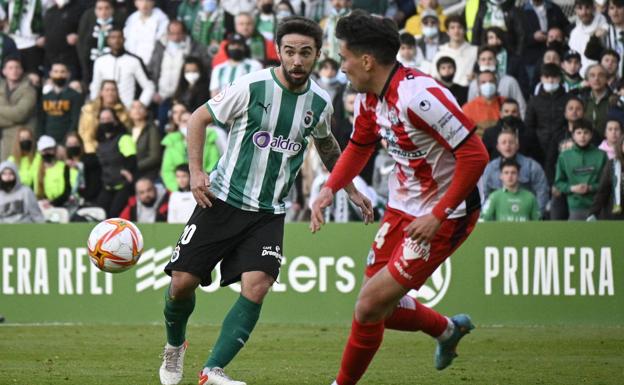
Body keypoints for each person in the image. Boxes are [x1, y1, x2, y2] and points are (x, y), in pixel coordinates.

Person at [158, 16, 373, 385]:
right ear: (279, 51)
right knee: (181, 284)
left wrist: (350, 188)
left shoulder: (319, 103)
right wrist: (196, 172)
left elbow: (326, 144)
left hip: (268, 211)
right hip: (221, 200)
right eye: (289, 51)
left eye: (306, 53)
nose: (297, 60)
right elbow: (197, 119)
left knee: (257, 286)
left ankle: (212, 371)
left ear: (317, 55)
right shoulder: (251, 86)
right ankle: (175, 346)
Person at [310, 10, 489, 385]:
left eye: (343, 58)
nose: (341, 68)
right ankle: (447, 330)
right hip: (402, 207)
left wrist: (438, 215)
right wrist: (330, 188)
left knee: (369, 304)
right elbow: (360, 145)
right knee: (380, 307)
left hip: (447, 213)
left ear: (366, 60)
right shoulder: (368, 98)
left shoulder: (419, 96)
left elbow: (475, 156)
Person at [480, 128, 549, 215]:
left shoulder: (531, 166)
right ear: (498, 147)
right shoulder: (489, 168)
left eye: (511, 142)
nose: (508, 145)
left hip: (526, 216)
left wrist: (536, 214)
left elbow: (542, 191)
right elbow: (483, 194)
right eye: (504, 142)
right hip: (497, 217)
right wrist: (488, 214)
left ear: (517, 145)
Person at [555, 119, 608, 220]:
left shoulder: (601, 155)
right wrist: (572, 188)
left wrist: (590, 188)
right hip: (574, 206)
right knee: (575, 235)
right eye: (579, 133)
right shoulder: (564, 157)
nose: (582, 136)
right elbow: (558, 183)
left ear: (591, 135)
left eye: (586, 132)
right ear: (573, 135)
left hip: (597, 206)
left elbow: (606, 183)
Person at [89, 28, 155, 108]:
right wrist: (94, 105)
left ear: (124, 39)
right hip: (105, 110)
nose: (116, 41)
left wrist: (140, 105)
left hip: (127, 109)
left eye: (119, 37)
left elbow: (149, 87)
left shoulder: (134, 61)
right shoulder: (100, 61)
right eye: (113, 37)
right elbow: (95, 85)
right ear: (108, 40)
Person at [94, 107, 137, 218]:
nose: (105, 122)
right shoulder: (100, 143)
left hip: (123, 185)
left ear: (115, 121)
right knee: (99, 213)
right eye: (102, 119)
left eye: (108, 118)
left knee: (114, 214)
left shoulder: (124, 138)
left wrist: (127, 170)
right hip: (107, 185)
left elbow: (132, 158)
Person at [77, 0, 125, 84]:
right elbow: (82, 45)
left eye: (107, 8)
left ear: (112, 10)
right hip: (91, 66)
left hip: (112, 67)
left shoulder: (118, 26)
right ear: (95, 11)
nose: (103, 12)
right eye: (100, 9)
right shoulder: (90, 26)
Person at [79, 80, 132, 153]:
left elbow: (127, 132)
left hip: (118, 151)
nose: (110, 93)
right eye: (107, 90)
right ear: (101, 92)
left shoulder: (124, 112)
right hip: (93, 150)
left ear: (117, 93)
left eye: (113, 90)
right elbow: (84, 134)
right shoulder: (89, 110)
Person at [0, 57, 37, 161]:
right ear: (4, 71)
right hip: (4, 140)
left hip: (23, 139)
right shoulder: (1, 88)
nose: (14, 71)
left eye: (17, 67)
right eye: (10, 68)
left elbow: (20, 114)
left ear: (21, 70)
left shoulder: (29, 90)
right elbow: (15, 115)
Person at [38, 63, 83, 143]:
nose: (59, 75)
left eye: (62, 72)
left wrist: (67, 141)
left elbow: (75, 121)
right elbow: (41, 121)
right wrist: (43, 138)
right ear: (50, 74)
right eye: (56, 71)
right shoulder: (45, 97)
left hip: (68, 141)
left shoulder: (75, 96)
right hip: (48, 141)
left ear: (68, 74)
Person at [432, 15, 477, 86]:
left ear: (465, 30)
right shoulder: (440, 53)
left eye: (459, 27)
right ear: (447, 32)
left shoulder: (475, 51)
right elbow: (434, 77)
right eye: (452, 28)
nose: (456, 31)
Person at [123, 0, 169, 66]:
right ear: (135, 3)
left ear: (153, 2)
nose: (145, 4)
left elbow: (162, 42)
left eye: (148, 1)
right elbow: (127, 41)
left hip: (153, 63)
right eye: (141, 1)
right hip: (132, 62)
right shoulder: (132, 19)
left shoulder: (162, 19)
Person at [589, 135, 624, 219]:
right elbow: (603, 191)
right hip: (615, 214)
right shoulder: (612, 165)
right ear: (621, 145)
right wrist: (593, 213)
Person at [462, 70, 505, 137]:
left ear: (496, 83)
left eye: (491, 81)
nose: (488, 84)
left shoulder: (505, 103)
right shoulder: (468, 108)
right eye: (483, 82)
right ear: (478, 85)